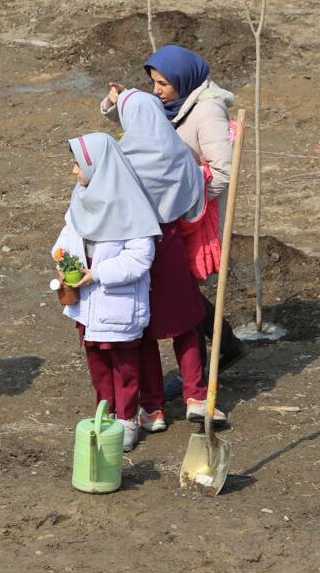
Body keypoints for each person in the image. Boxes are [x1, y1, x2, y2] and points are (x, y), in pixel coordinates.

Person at [102, 44, 245, 387]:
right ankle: (224, 344)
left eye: (163, 83)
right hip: (171, 211)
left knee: (181, 286)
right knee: (180, 284)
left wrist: (186, 196)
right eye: (153, 83)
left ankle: (197, 376)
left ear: (183, 79)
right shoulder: (172, 104)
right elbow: (143, 122)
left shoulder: (207, 112)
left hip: (194, 213)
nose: (156, 91)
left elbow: (224, 172)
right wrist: (117, 102)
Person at [113, 89, 220, 426]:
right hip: (171, 245)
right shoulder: (178, 152)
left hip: (135, 252)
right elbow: (195, 202)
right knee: (186, 325)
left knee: (142, 331)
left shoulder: (121, 158)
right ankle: (197, 397)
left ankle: (153, 408)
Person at [51, 133, 160, 451]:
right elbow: (68, 233)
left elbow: (140, 258)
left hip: (118, 303)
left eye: (77, 164)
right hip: (86, 304)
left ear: (98, 166)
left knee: (124, 365)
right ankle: (106, 413)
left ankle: (126, 420)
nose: (73, 171)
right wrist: (61, 259)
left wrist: (97, 274)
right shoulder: (81, 198)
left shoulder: (130, 205)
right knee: (97, 362)